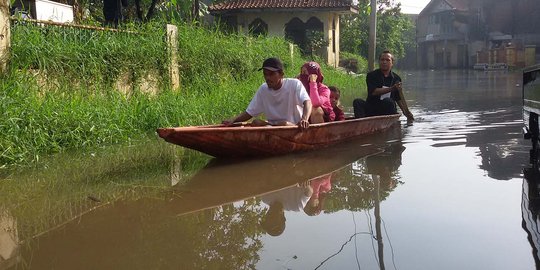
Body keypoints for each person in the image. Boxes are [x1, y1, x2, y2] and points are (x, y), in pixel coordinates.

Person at [223, 57, 312, 129]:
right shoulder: (263, 89)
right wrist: (233, 120)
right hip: (270, 127)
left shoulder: (294, 84)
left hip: (291, 127)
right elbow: (249, 113)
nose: (268, 78)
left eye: (271, 74)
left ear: (281, 74)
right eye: (265, 74)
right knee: (256, 122)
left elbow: (307, 102)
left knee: (284, 124)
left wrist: (304, 119)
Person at [353, 51, 414, 122]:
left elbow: (398, 98)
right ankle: (361, 124)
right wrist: (391, 88)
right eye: (382, 60)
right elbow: (373, 92)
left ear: (392, 63)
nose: (384, 62)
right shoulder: (371, 75)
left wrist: (405, 112)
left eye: (387, 60)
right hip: (372, 107)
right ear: (379, 62)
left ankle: (389, 124)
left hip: (387, 108)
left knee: (388, 101)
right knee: (357, 102)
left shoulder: (396, 78)